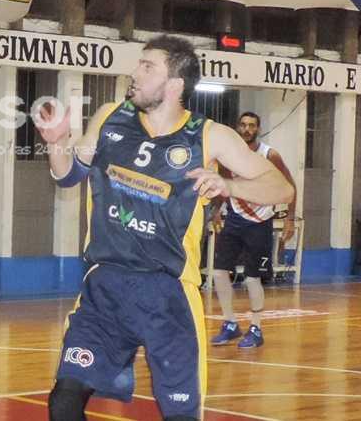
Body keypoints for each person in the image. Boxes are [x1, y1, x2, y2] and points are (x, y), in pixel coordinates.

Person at [36, 35, 294, 421]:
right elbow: (69, 175)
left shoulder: (209, 136)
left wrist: (230, 186)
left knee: (180, 415)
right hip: (105, 286)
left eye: (147, 67)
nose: (135, 73)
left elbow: (282, 188)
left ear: (174, 84)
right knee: (64, 401)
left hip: (168, 293)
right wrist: (57, 144)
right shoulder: (109, 116)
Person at [209, 111, 297, 349]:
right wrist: (217, 209)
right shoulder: (228, 155)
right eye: (243, 125)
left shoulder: (269, 155)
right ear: (237, 127)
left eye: (251, 125)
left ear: (258, 129)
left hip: (260, 222)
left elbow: (290, 186)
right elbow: (225, 186)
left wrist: (289, 218)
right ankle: (230, 323)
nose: (247, 129)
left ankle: (256, 328)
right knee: (219, 272)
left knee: (252, 277)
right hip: (234, 219)